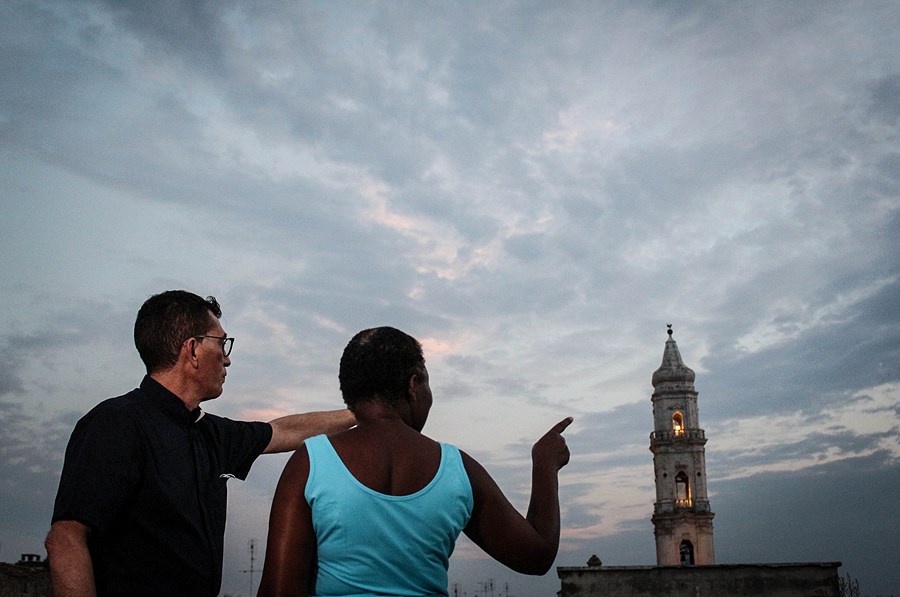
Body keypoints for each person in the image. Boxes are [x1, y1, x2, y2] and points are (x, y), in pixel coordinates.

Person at [45, 290, 355, 597]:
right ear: (192, 349)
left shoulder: (211, 434)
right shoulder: (115, 424)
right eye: (222, 343)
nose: (228, 358)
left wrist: (363, 412)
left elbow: (284, 430)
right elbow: (66, 539)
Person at [258, 326, 572, 597]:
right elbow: (536, 556)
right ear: (413, 384)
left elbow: (277, 592)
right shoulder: (457, 470)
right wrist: (544, 464)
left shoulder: (309, 464)